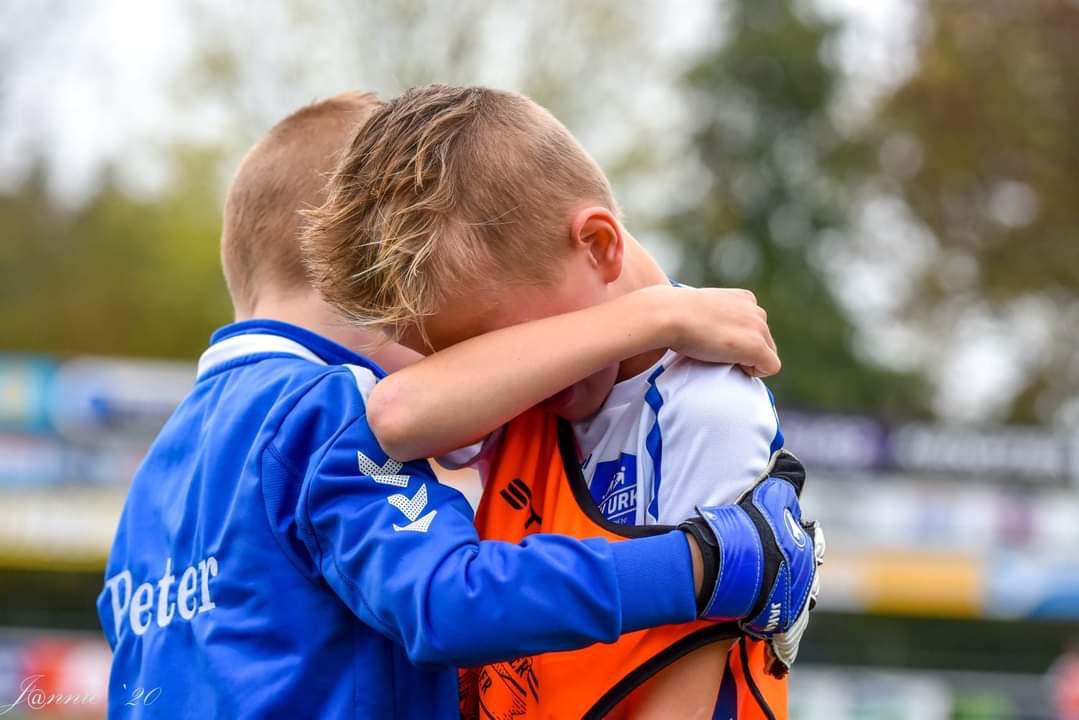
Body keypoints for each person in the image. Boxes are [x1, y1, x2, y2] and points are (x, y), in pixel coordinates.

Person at [97, 91, 820, 719]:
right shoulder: (324, 410)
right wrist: (711, 564)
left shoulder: (158, 475)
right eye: (433, 342)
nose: (462, 368)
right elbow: (448, 598)